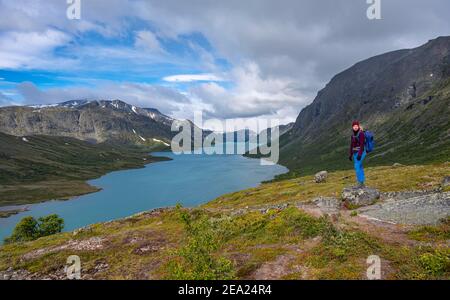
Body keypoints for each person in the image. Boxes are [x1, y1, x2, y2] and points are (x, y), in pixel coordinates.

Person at [348, 120, 366, 188]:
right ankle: (362, 183)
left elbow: (362, 145)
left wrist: (360, 154)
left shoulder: (361, 133)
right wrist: (350, 154)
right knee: (360, 166)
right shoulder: (352, 135)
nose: (355, 127)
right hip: (355, 153)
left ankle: (359, 183)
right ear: (352, 127)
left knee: (357, 166)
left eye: (356, 126)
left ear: (358, 126)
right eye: (354, 126)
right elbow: (351, 145)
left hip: (361, 152)